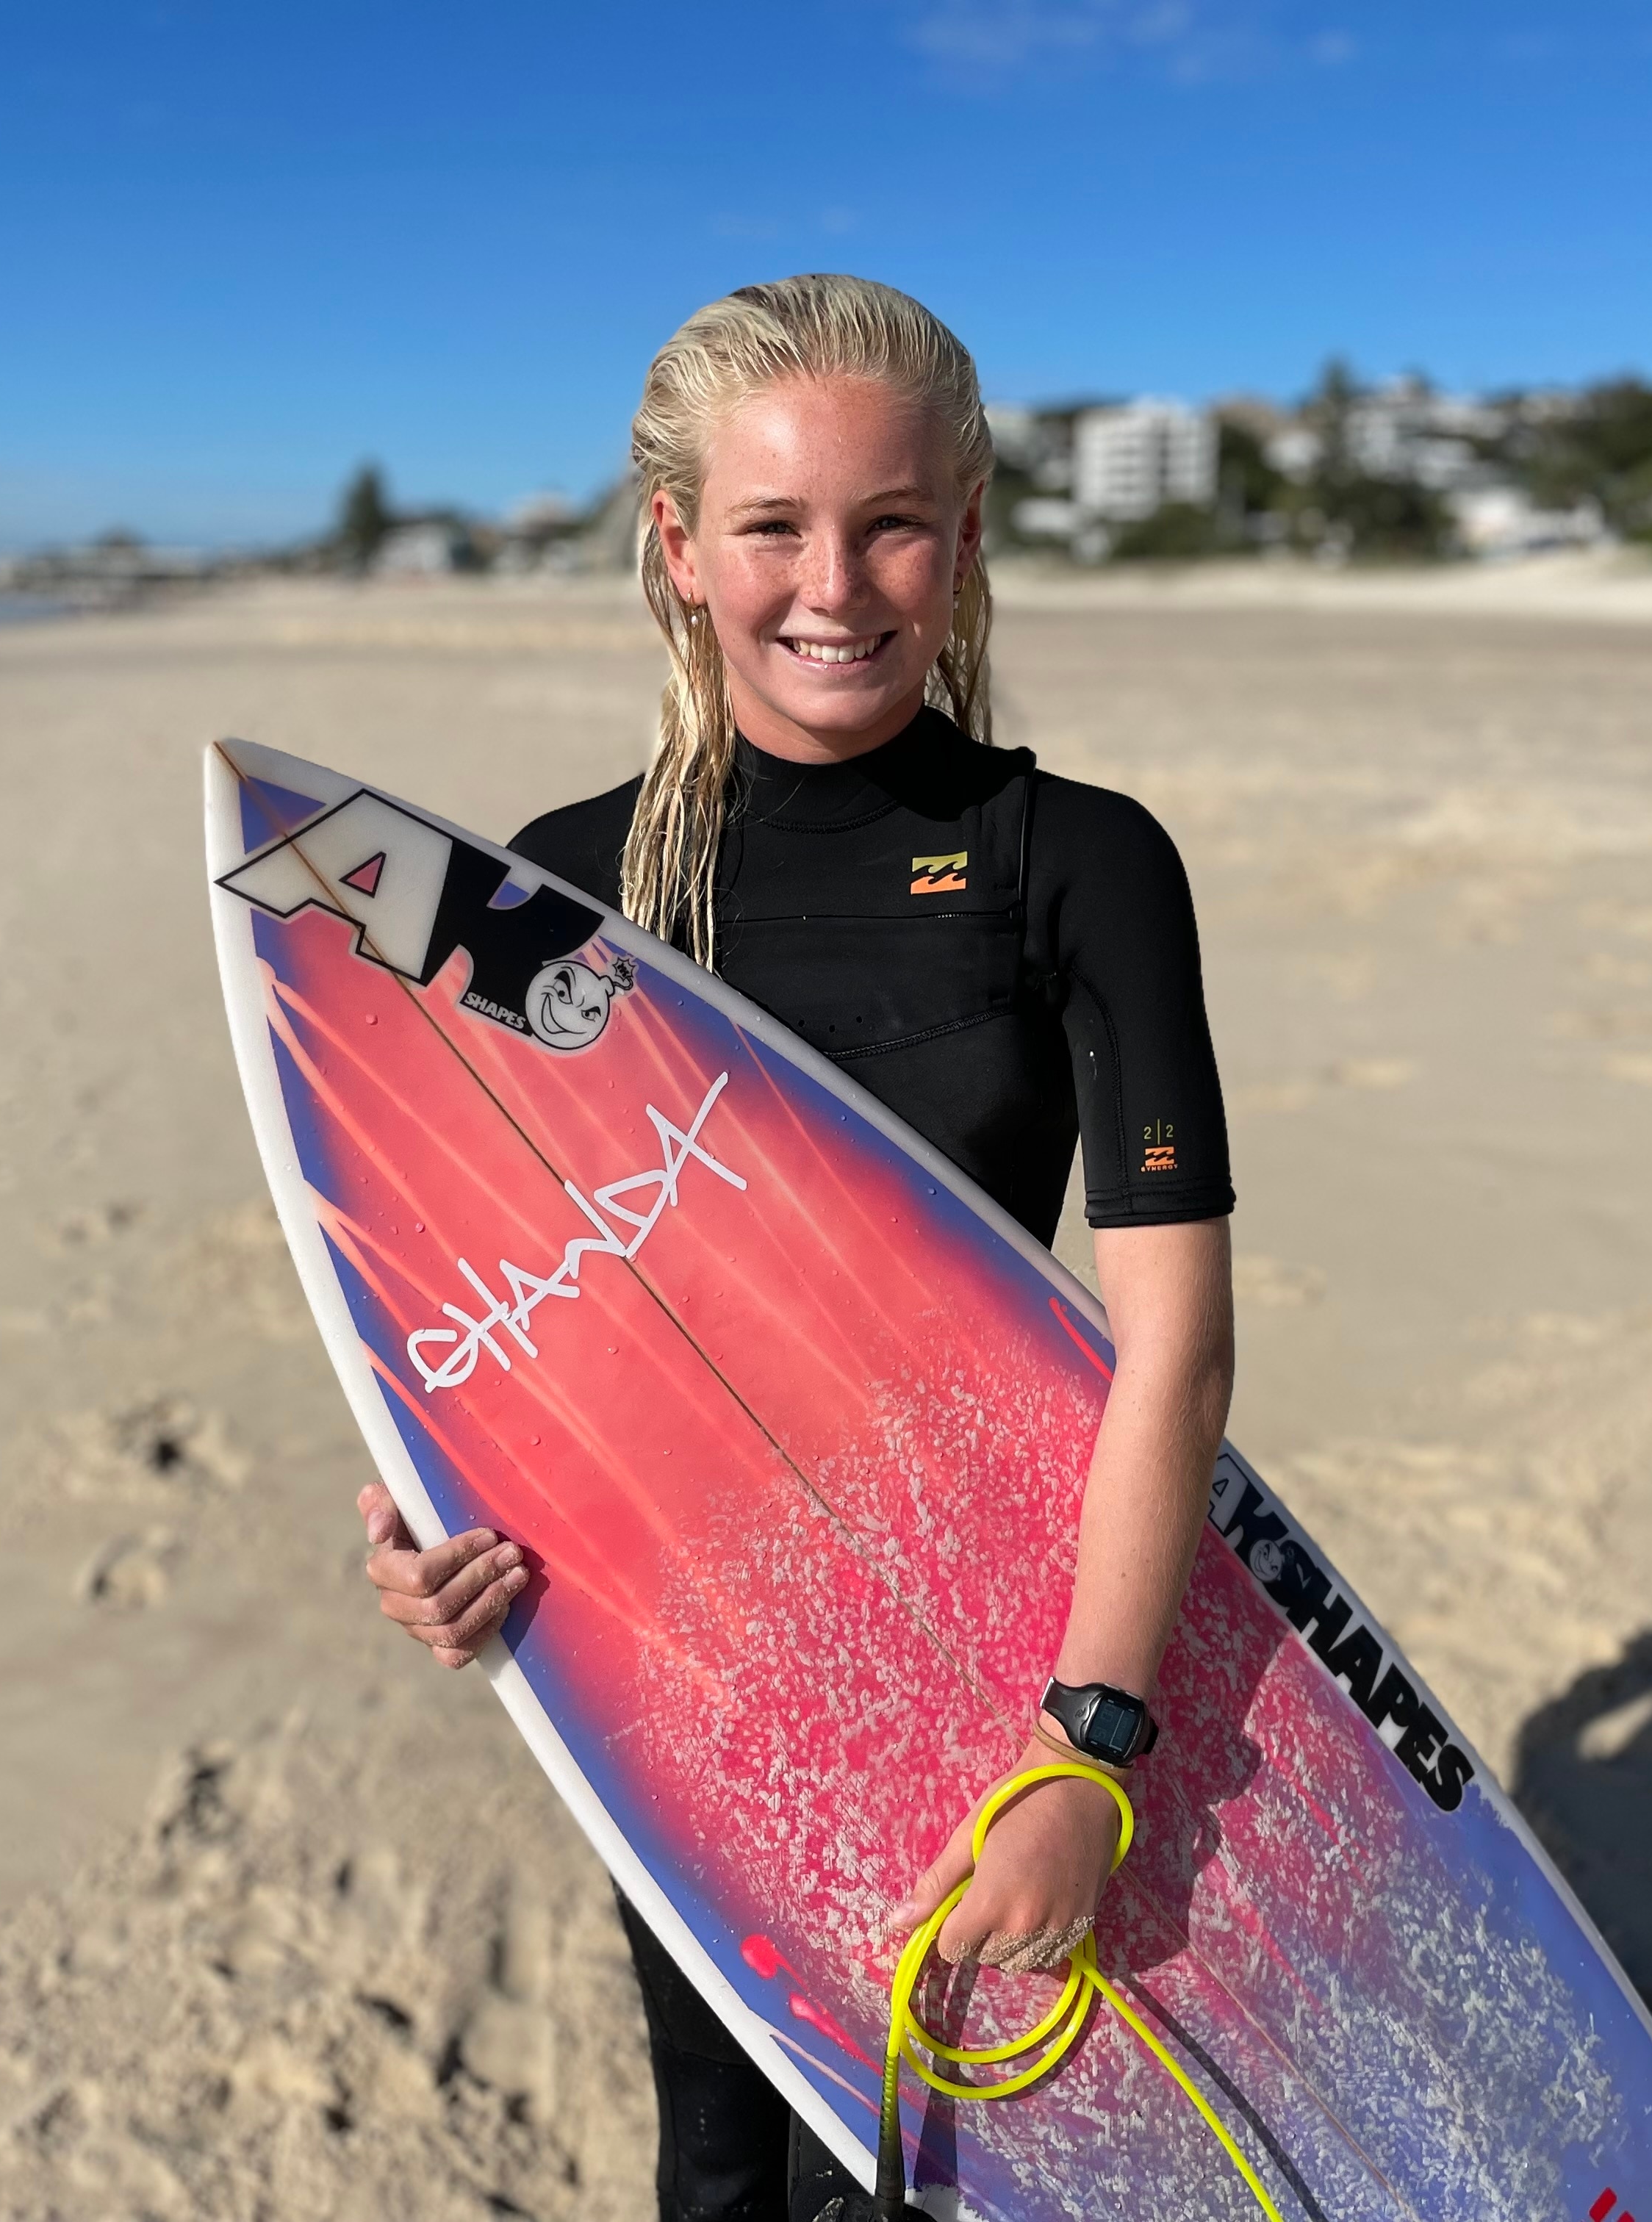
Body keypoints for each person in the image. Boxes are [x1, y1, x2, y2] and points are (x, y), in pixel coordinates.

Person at [351, 275, 1237, 2222]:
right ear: (677, 547)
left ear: (969, 532)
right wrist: (428, 1519)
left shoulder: (1077, 863)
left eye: (892, 522)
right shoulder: (550, 891)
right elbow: (486, 1313)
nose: (834, 585)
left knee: (988, 2170)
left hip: (1012, 1658)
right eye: (771, 526)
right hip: (688, 1664)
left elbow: (1176, 1350)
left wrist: (1088, 1751)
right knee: (731, 2168)